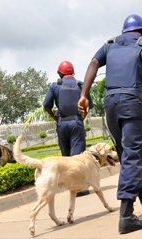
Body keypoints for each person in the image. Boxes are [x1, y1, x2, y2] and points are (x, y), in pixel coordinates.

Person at [77, 14, 142, 234]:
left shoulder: (109, 44)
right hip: (131, 103)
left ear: (124, 31)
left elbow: (93, 63)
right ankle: (126, 215)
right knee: (132, 156)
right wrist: (138, 96)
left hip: (110, 106)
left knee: (127, 155)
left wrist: (84, 94)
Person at [43, 61, 94, 197]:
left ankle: (71, 186)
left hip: (62, 124)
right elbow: (88, 106)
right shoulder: (80, 85)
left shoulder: (55, 86)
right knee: (77, 157)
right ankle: (78, 188)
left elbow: (46, 105)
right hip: (76, 123)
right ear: (73, 73)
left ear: (60, 73)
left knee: (66, 158)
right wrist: (82, 117)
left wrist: (54, 117)